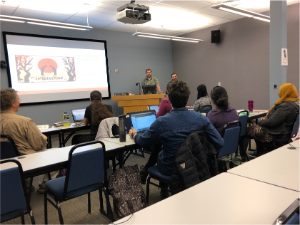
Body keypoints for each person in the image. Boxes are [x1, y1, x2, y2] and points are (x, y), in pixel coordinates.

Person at [129, 80, 223, 197]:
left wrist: (134, 134)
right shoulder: (202, 118)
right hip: (196, 166)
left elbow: (143, 141)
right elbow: (219, 142)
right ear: (188, 99)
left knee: (159, 149)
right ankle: (161, 186)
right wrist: (202, 157)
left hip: (170, 168)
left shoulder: (161, 122)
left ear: (168, 99)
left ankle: (162, 188)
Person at [0, 88, 58, 193]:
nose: (19, 102)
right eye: (18, 99)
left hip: (3, 160)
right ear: (13, 103)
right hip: (24, 159)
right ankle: (45, 184)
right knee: (57, 153)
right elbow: (38, 145)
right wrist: (44, 138)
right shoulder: (25, 121)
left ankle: (25, 185)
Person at [247, 83, 300, 155]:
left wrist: (258, 121)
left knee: (246, 131)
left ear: (285, 92)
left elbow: (272, 123)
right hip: (282, 131)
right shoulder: (294, 103)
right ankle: (262, 151)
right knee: (255, 129)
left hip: (276, 133)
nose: (278, 93)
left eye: (280, 91)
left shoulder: (286, 106)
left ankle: (245, 155)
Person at [207, 86, 241, 167]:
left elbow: (207, 134)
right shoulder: (234, 112)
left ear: (212, 101)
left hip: (219, 151)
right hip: (234, 150)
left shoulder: (212, 115)